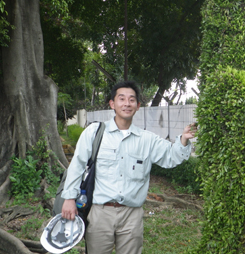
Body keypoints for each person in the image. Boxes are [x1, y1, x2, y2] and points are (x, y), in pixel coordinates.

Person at [61, 81, 196, 254]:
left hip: (132, 215)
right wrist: (69, 198)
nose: (127, 103)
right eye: (121, 99)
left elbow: (171, 156)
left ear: (138, 106)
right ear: (112, 104)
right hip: (100, 212)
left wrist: (183, 139)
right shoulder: (94, 132)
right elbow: (77, 165)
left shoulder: (147, 139)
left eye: (132, 100)